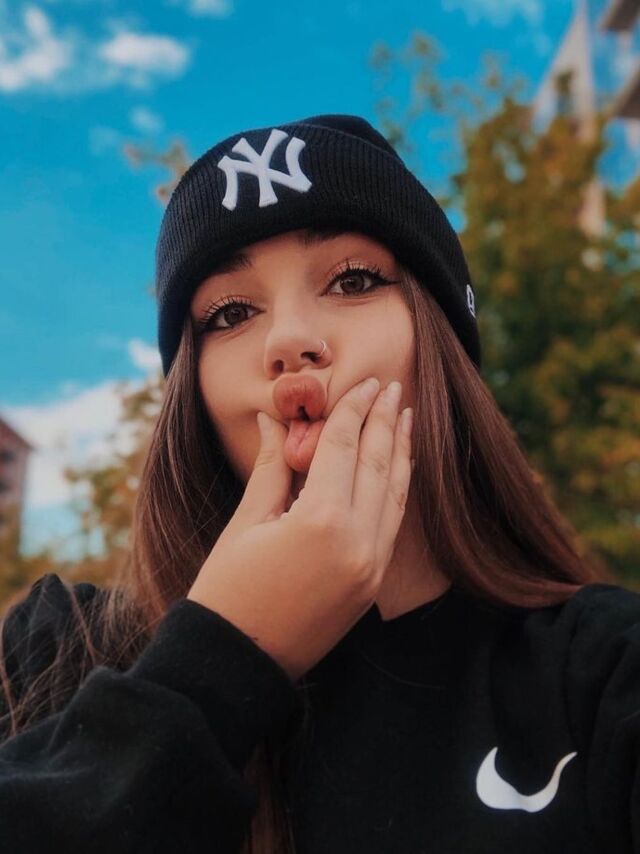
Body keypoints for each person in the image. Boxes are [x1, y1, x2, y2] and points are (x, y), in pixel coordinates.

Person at [0, 113, 638, 854]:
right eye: (230, 313)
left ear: (441, 342)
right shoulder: (59, 651)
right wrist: (213, 667)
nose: (288, 341)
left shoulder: (604, 673)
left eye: (353, 280)